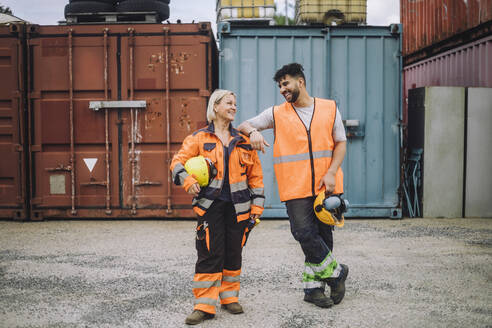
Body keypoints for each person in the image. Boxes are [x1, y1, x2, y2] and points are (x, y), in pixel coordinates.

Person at [237, 63, 348, 309]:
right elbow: (243, 125)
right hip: (295, 187)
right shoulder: (276, 113)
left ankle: (313, 289)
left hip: (326, 185)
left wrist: (331, 173)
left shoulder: (329, 108)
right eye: (279, 85)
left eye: (286, 83)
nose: (282, 89)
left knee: (323, 237)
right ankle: (337, 273)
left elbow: (340, 142)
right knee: (303, 233)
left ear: (301, 82)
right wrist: (254, 132)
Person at [170, 89, 264, 325]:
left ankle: (229, 298)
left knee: (234, 251)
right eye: (228, 103)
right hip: (210, 207)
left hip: (239, 207)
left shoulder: (243, 141)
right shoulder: (198, 138)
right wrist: (188, 181)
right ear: (215, 107)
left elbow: (256, 178)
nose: (234, 107)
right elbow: (176, 163)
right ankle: (204, 305)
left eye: (235, 103)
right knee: (210, 253)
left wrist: (257, 208)